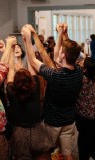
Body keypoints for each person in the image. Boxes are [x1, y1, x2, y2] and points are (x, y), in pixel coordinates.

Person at [21, 24, 83, 160]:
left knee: (46, 153)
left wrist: (27, 37)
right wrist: (62, 33)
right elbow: (69, 52)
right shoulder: (79, 71)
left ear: (63, 55)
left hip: (52, 123)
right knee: (68, 154)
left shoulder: (54, 75)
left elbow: (32, 60)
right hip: (69, 121)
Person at [6, 43, 54, 159]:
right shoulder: (35, 87)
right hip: (38, 130)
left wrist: (11, 48)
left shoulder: (11, 91)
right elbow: (32, 64)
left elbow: (11, 69)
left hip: (20, 134)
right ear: (31, 81)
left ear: (15, 82)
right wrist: (26, 40)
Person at [75, 57, 95, 160]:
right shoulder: (90, 77)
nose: (78, 61)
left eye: (81, 61)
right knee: (91, 150)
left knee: (86, 151)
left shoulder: (81, 79)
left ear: (84, 70)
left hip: (89, 123)